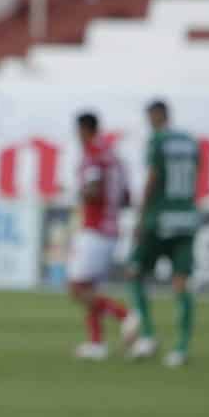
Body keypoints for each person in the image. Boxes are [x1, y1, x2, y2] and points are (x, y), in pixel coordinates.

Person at [124, 100, 201, 367]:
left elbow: (153, 179)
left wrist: (140, 218)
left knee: (134, 271)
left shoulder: (158, 141)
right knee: (181, 283)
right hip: (187, 217)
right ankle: (180, 348)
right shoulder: (190, 141)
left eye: (150, 117)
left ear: (157, 116)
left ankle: (147, 334)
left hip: (160, 219)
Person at [69, 112, 137, 361]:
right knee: (90, 287)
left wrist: (79, 192)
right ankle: (96, 344)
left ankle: (124, 315)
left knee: (77, 289)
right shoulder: (115, 158)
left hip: (95, 229)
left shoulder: (93, 156)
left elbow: (93, 191)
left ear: (84, 130)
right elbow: (128, 197)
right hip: (111, 229)